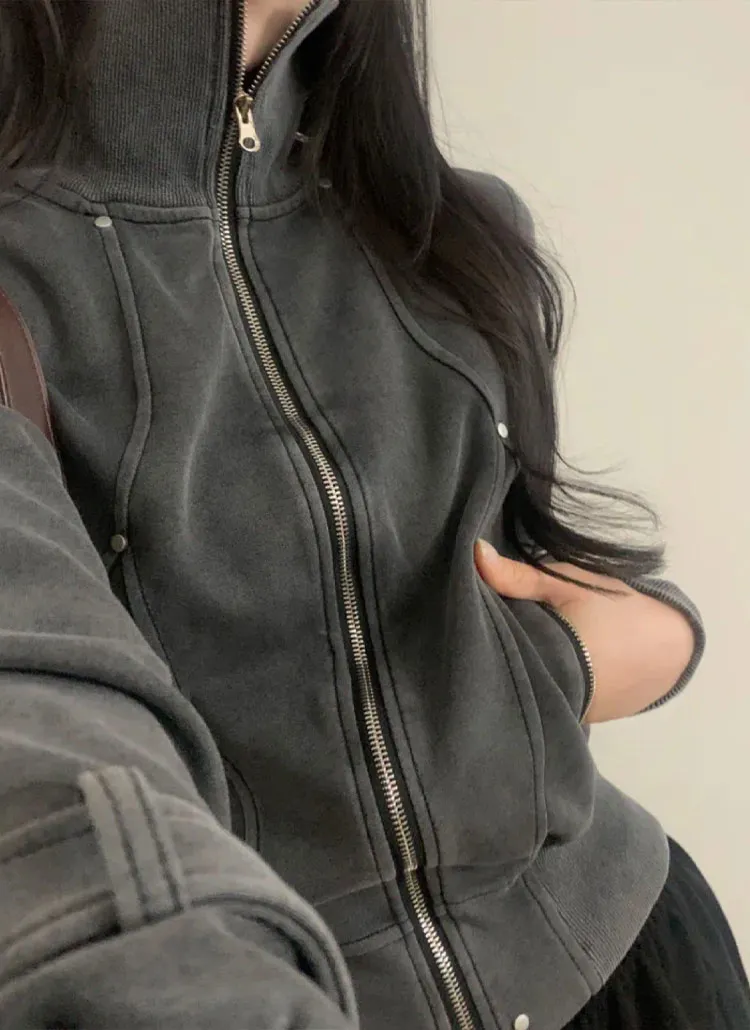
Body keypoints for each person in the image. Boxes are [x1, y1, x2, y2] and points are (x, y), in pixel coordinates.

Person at [0, 1, 746, 1028]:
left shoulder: (439, 227)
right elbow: (36, 723)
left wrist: (655, 638)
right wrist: (567, 671)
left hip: (635, 959)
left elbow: (515, 579)